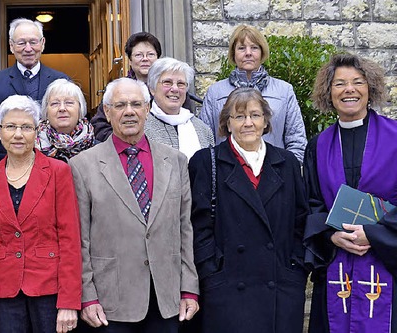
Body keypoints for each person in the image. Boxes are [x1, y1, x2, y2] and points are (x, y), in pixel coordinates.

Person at [69, 78, 199, 332]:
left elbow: (185, 229)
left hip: (167, 298)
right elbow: (79, 239)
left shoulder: (176, 161)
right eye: (120, 105)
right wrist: (88, 295)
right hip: (110, 302)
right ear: (107, 112)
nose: (129, 111)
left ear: (147, 109)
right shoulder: (83, 165)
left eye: (136, 104)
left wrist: (189, 289)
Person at [188, 87, 308, 333]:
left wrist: (295, 270)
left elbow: (301, 221)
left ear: (265, 121)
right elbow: (197, 227)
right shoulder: (205, 162)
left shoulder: (287, 163)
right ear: (227, 123)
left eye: (255, 115)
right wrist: (211, 274)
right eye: (239, 116)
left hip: (280, 290)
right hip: (227, 290)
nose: (248, 123)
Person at [304, 53, 397, 333]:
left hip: (388, 265)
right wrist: (331, 235)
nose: (349, 90)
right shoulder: (318, 146)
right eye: (339, 84)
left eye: (357, 82)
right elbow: (311, 203)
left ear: (370, 88)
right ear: (328, 93)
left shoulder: (395, 137)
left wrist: (374, 234)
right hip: (337, 262)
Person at [0, 95, 82, 333]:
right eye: (10, 127)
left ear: (37, 130)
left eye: (26, 127)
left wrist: (68, 302)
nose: (18, 134)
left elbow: (70, 239)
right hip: (4, 288)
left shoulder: (58, 172)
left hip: (48, 287)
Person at [199, 25, 307, 162]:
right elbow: (204, 140)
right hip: (226, 176)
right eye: (242, 48)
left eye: (254, 47)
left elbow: (297, 140)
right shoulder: (215, 92)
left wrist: (285, 173)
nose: (248, 53)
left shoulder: (284, 91)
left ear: (262, 52)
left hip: (274, 176)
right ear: (233, 53)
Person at [0, 18, 70, 161]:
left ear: (42, 44)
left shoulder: (60, 81)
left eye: (33, 42)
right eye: (21, 43)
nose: (28, 49)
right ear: (11, 46)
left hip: (52, 163)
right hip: (7, 163)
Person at [90, 32, 201, 142]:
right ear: (130, 60)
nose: (145, 59)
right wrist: (125, 142)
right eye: (138, 55)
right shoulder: (118, 90)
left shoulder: (174, 91)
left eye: (150, 54)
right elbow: (100, 125)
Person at [145, 57, 214, 159]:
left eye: (181, 84)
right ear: (152, 89)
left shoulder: (203, 130)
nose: (175, 89)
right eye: (167, 82)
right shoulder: (142, 129)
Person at [36, 78, 95, 162]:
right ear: (46, 111)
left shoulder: (97, 149)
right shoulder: (32, 149)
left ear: (80, 108)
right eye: (55, 103)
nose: (62, 108)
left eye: (69, 103)